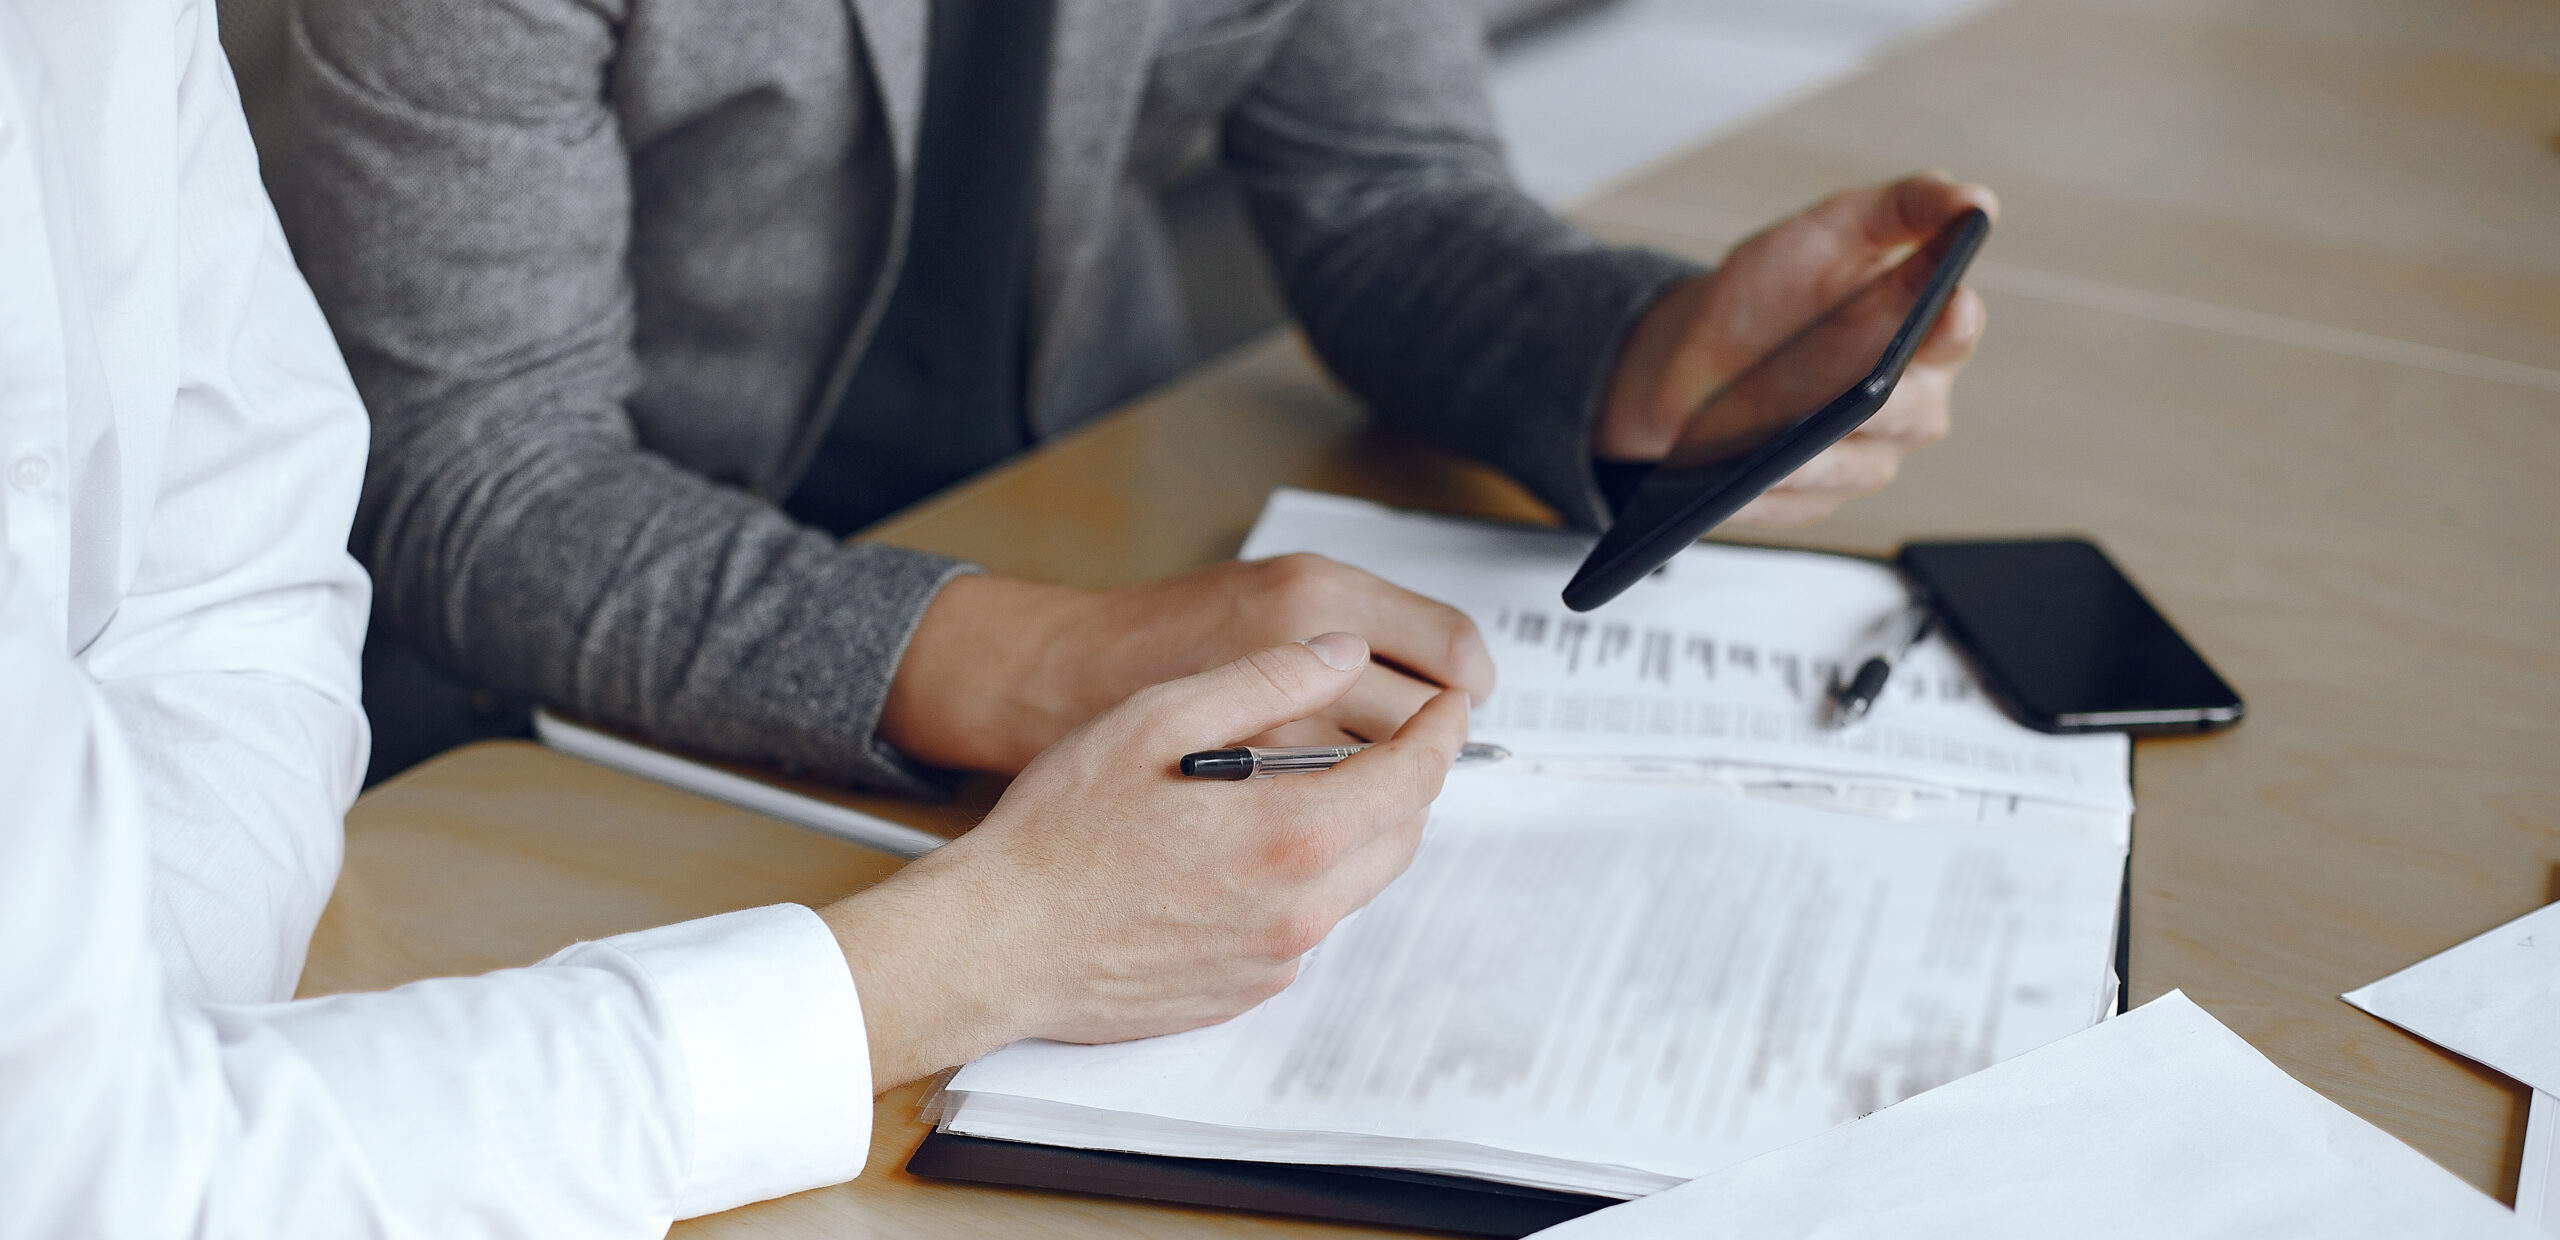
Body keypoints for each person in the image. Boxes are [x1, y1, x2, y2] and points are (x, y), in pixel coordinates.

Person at [0, 0, 1464, 1240]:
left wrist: (136, 1017)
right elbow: (79, 1215)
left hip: (321, 1030)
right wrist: (968, 950)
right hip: (570, 763)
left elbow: (228, 584)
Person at [267, 0, 1991, 785]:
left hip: (1098, 521)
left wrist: (1648, 357)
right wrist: (1040, 663)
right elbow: (475, 473)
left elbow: (1386, 191)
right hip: (574, 716)